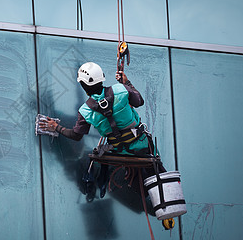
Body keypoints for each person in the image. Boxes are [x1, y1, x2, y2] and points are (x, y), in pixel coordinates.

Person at [39, 61, 164, 201]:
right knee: (153, 169)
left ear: (83, 86)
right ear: (102, 77)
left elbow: (76, 135)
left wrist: (56, 127)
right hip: (142, 145)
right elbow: (139, 102)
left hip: (118, 150)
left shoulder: (85, 111)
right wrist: (127, 82)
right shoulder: (121, 89)